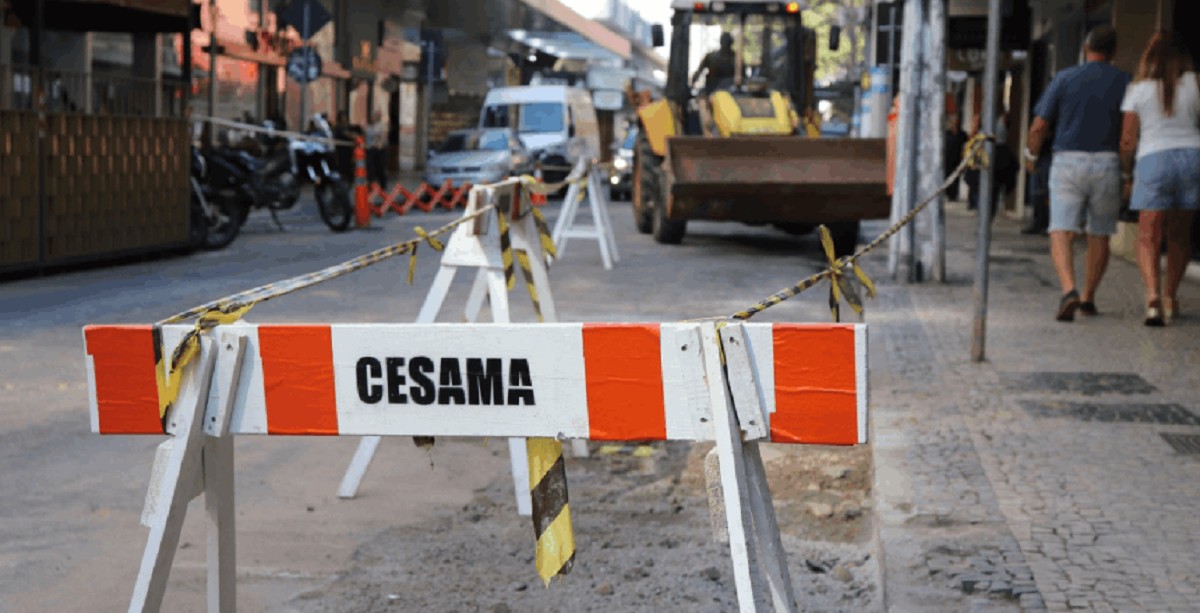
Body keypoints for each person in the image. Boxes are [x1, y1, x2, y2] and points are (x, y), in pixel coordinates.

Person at [1024, 25, 1131, 322]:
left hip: (1068, 162)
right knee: (1100, 233)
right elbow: (1129, 133)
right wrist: (1127, 173)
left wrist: (1031, 155)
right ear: (1113, 51)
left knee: (1061, 229)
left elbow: (1039, 126)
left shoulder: (1064, 78)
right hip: (1107, 163)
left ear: (1086, 49)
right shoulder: (1125, 81)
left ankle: (1068, 289)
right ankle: (1088, 296)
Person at [1119, 31, 1200, 326]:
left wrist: (1126, 174)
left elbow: (1127, 140)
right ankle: (1170, 297)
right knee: (1180, 235)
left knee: (1148, 235)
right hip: (1192, 158)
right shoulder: (1196, 83)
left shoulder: (1138, 90)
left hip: (1153, 159)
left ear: (1149, 57)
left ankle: (1153, 297)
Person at [366, 109, 388, 189]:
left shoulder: (382, 125)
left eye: (375, 116)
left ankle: (382, 185)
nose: (373, 117)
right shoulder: (369, 126)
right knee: (370, 167)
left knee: (380, 168)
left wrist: (380, 145)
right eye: (373, 116)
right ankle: (371, 183)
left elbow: (383, 137)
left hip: (379, 150)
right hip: (370, 149)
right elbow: (366, 137)